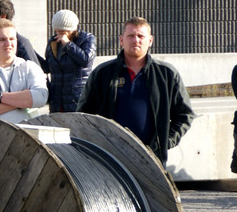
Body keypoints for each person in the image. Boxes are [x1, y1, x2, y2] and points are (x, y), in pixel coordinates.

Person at [78, 18, 194, 163]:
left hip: (151, 160)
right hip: (110, 158)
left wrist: (164, 142)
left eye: (141, 36)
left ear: (150, 41)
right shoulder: (102, 74)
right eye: (131, 36)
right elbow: (83, 115)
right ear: (121, 40)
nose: (136, 40)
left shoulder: (166, 74)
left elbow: (185, 114)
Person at [45, 10, 96, 113]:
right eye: (57, 31)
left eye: (64, 31)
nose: (60, 34)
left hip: (77, 97)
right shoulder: (53, 42)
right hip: (57, 100)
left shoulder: (87, 39)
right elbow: (48, 67)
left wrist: (68, 44)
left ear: (73, 29)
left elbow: (86, 60)